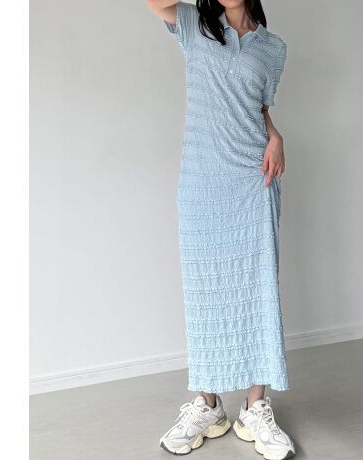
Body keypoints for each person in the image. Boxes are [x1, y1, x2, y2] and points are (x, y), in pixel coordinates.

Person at [146, 1, 295, 458]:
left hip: (252, 176)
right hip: (201, 180)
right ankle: (208, 405)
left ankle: (255, 406)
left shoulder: (273, 48)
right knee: (205, 291)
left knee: (257, 288)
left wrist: (275, 134)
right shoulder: (194, 25)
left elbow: (258, 106)